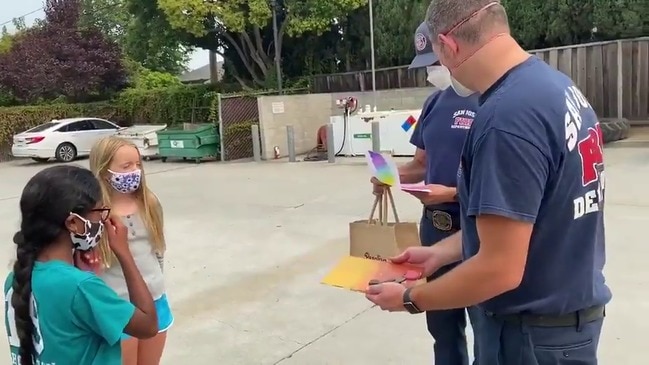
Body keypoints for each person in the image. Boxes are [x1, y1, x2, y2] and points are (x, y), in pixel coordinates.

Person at [365, 1, 610, 364]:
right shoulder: (554, 88)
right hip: (563, 322)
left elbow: (499, 268)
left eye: (438, 57)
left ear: (448, 45)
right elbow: (522, 223)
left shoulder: (506, 118)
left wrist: (410, 298)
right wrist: (437, 254)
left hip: (531, 336)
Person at [372, 21, 480, 365]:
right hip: (433, 229)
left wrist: (451, 192)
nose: (434, 71)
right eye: (427, 66)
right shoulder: (434, 103)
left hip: (475, 226)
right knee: (442, 326)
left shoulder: (494, 103)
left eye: (435, 61)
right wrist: (390, 176)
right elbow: (422, 162)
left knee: (486, 324)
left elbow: (505, 182)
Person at [4, 165, 159, 365]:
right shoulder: (81, 287)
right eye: (99, 212)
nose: (103, 220)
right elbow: (148, 326)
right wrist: (124, 253)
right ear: (74, 223)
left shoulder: (16, 277)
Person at [89, 136, 172, 365]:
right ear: (104, 170)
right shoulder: (93, 214)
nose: (135, 171)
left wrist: (158, 283)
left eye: (138, 165)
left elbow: (158, 249)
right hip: (116, 307)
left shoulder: (150, 203)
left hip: (155, 300)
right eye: (126, 167)